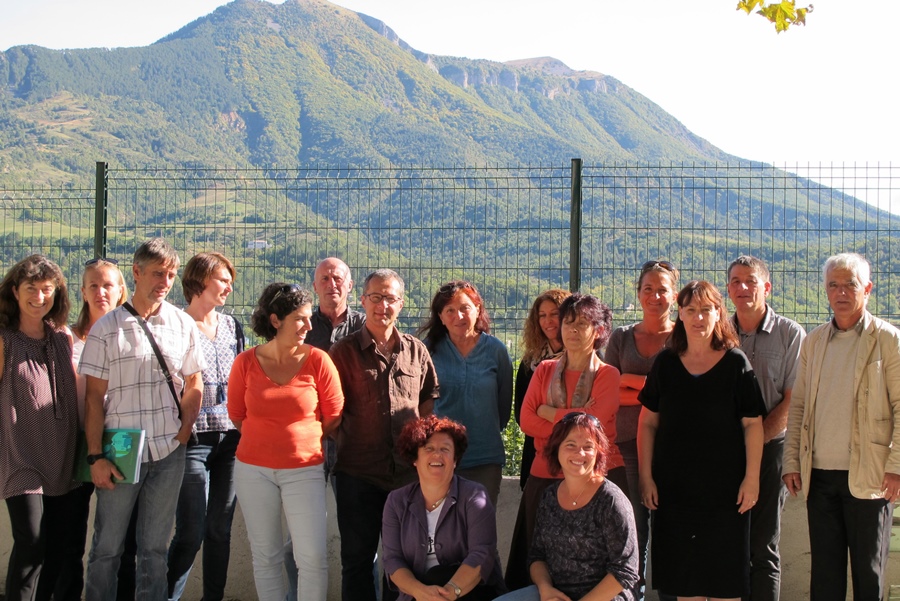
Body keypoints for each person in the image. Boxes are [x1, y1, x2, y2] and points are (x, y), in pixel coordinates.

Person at [80, 238, 205, 601]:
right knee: (107, 547)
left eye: (170, 275)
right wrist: (95, 457)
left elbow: (194, 380)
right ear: (136, 273)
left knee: (154, 550)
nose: (164, 282)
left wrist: (184, 431)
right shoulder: (107, 328)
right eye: (157, 273)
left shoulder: (182, 324)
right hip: (119, 450)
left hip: (169, 450)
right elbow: (93, 398)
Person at [783, 253, 900, 601]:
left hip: (870, 477)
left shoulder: (889, 340)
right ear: (825, 290)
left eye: (849, 284)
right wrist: (791, 461)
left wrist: (896, 468)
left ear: (867, 288)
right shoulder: (815, 342)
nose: (841, 292)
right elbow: (799, 405)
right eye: (833, 285)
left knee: (869, 573)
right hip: (819, 476)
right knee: (825, 576)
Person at [638, 280, 764, 600]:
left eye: (706, 310)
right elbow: (648, 423)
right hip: (674, 493)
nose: (698, 318)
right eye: (691, 310)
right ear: (679, 314)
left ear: (718, 313)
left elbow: (752, 425)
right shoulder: (665, 364)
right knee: (686, 586)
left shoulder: (736, 363)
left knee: (725, 585)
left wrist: (752, 479)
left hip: (726, 495)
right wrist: (646, 477)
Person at [227, 282, 344, 601]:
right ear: (276, 320)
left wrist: (299, 439)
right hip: (253, 471)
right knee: (266, 557)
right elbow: (237, 415)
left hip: (304, 470)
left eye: (309, 318)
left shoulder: (319, 361)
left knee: (312, 559)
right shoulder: (246, 363)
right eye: (301, 318)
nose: (309, 325)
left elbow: (333, 415)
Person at [329, 269, 440, 601]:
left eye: (389, 298)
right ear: (362, 301)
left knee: (404, 562)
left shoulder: (416, 350)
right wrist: (351, 440)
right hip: (357, 475)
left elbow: (427, 399)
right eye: (375, 298)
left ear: (401, 304)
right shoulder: (343, 352)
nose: (382, 306)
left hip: (406, 477)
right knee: (357, 561)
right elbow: (330, 410)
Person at [507, 292, 626, 590]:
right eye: (568, 322)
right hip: (544, 472)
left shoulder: (608, 375)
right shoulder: (545, 369)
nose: (572, 330)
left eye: (583, 323)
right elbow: (526, 421)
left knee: (596, 559)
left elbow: (591, 430)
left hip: (598, 475)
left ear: (598, 331)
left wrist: (549, 413)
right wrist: (576, 416)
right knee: (537, 558)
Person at [284, 257, 366, 601]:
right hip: (307, 442)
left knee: (360, 539)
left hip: (355, 443)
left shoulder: (367, 326)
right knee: (298, 538)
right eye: (324, 279)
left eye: (338, 278)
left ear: (350, 286)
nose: (332, 284)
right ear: (314, 286)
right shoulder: (300, 326)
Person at [495, 412, 640, 601]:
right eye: (570, 445)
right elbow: (537, 556)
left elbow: (625, 572)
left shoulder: (611, 500)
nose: (580, 453)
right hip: (555, 594)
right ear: (557, 449)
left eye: (588, 447)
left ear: (598, 453)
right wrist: (546, 590)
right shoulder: (549, 497)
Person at [726, 256, 805, 601]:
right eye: (735, 281)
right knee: (729, 546)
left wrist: (754, 442)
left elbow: (791, 401)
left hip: (773, 451)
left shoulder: (791, 334)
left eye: (751, 281)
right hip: (726, 452)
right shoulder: (719, 333)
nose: (743, 288)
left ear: (766, 287)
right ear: (727, 289)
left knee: (763, 547)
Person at [167, 252, 244, 601]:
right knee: (191, 531)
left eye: (230, 280)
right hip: (192, 440)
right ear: (200, 280)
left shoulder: (232, 327)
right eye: (222, 279)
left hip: (231, 440)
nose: (229, 286)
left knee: (219, 529)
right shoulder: (175, 325)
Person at [0, 255, 78, 601]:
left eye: (47, 289)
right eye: (32, 288)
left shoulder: (62, 338)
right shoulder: (4, 341)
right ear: (15, 291)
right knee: (31, 542)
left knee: (57, 549)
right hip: (20, 457)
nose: (40, 297)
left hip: (62, 456)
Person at [54, 258, 128, 601]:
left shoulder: (132, 337)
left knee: (122, 537)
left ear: (121, 290)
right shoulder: (65, 339)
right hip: (74, 446)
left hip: (123, 444)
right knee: (68, 536)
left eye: (108, 285)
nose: (101, 292)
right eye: (94, 285)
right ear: (82, 291)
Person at [605, 260, 678, 601]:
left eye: (662, 289)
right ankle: (631, 594)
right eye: (648, 289)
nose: (655, 296)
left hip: (672, 447)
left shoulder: (683, 336)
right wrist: (654, 388)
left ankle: (666, 594)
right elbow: (607, 388)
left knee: (668, 527)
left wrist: (630, 384)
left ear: (674, 295)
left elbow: (680, 393)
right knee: (633, 527)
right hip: (625, 445)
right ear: (638, 293)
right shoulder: (621, 337)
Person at [381, 415, 506, 601]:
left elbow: (481, 554)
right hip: (417, 593)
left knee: (437, 575)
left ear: (455, 460)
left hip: (469, 593)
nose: (437, 454)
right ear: (415, 459)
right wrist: (419, 592)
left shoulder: (474, 496)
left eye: (445, 449)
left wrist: (449, 592)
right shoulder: (396, 501)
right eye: (428, 448)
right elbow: (392, 560)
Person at [419, 280, 513, 506]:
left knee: (480, 529)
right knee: (441, 527)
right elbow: (421, 403)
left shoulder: (496, 351)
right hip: (439, 457)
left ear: (478, 309)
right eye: (449, 310)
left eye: (464, 308)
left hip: (484, 458)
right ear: (440, 316)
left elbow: (503, 408)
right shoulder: (428, 349)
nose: (458, 316)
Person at [513, 289, 571, 491]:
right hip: (536, 453)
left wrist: (543, 412)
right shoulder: (530, 362)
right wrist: (563, 419)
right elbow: (523, 416)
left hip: (574, 453)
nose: (549, 321)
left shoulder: (586, 359)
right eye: (542, 316)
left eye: (555, 314)